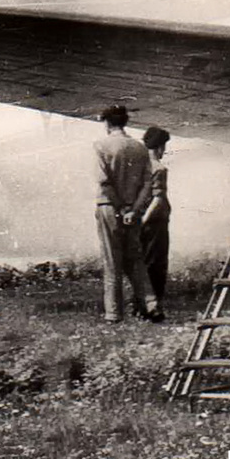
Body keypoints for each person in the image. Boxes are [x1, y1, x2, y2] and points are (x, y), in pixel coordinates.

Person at [93, 105, 162, 323]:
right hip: (133, 212)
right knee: (136, 261)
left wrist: (121, 208)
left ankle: (114, 313)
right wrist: (133, 210)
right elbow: (147, 184)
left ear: (107, 123)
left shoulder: (100, 145)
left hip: (109, 208)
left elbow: (104, 182)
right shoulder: (140, 148)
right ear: (124, 122)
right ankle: (152, 306)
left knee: (112, 262)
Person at [140, 126, 171, 307]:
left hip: (140, 218)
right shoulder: (159, 168)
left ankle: (142, 301)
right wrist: (146, 220)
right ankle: (155, 302)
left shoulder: (138, 167)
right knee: (157, 263)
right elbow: (158, 199)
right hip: (156, 222)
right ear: (159, 147)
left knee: (143, 261)